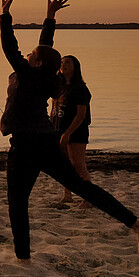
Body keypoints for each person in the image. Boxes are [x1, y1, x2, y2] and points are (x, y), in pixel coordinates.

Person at [0, 0, 139, 261]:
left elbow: (10, 47)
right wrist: (49, 18)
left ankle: (23, 258)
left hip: (26, 145)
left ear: (36, 61)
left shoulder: (29, 74)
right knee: (81, 187)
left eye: (31, 53)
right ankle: (137, 226)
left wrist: (5, 15)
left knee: (17, 203)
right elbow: (45, 47)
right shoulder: (46, 75)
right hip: (43, 142)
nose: (28, 52)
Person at [51, 55, 92, 207]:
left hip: (76, 132)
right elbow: (54, 109)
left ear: (75, 66)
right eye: (61, 62)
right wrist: (52, 128)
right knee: (64, 165)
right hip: (59, 130)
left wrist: (67, 133)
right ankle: (67, 195)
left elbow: (81, 115)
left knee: (78, 165)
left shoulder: (80, 88)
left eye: (68, 62)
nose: (64, 65)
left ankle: (88, 198)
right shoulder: (59, 87)